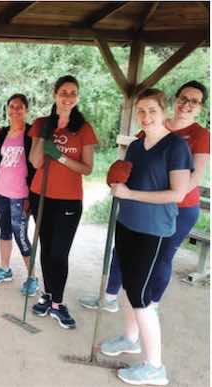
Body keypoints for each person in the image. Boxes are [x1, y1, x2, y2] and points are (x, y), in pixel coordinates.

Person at [79, 81, 210, 313]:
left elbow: (194, 177)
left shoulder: (198, 135)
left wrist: (171, 197)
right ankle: (109, 297)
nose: (187, 104)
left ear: (200, 107)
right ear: (174, 100)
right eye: (184, 98)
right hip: (141, 204)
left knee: (161, 260)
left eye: (194, 101)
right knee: (122, 251)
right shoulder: (151, 122)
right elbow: (137, 159)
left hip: (179, 207)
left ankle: (150, 306)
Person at [99, 89, 192, 385]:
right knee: (128, 285)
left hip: (154, 231)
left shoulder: (176, 147)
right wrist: (116, 184)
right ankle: (130, 338)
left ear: (163, 111)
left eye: (151, 110)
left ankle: (155, 367)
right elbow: (128, 180)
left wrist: (130, 194)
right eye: (141, 110)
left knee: (141, 296)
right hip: (127, 223)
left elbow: (177, 193)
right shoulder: (137, 146)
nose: (146, 116)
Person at [28, 75, 97, 329]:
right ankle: (48, 296)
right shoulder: (40, 124)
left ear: (77, 97)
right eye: (63, 92)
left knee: (60, 252)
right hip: (41, 196)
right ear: (55, 95)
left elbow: (87, 169)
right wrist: (46, 136)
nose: (68, 97)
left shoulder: (84, 128)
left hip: (69, 199)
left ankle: (58, 303)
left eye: (73, 93)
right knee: (45, 248)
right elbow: (35, 162)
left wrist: (60, 157)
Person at [0, 94, 38, 296]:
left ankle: (32, 277)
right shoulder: (2, 134)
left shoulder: (32, 133)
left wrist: (31, 197)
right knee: (4, 231)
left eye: (20, 107)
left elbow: (36, 166)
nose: (15, 110)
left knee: (21, 236)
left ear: (26, 110)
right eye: (12, 106)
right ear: (7, 109)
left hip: (20, 195)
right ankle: (5, 269)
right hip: (1, 192)